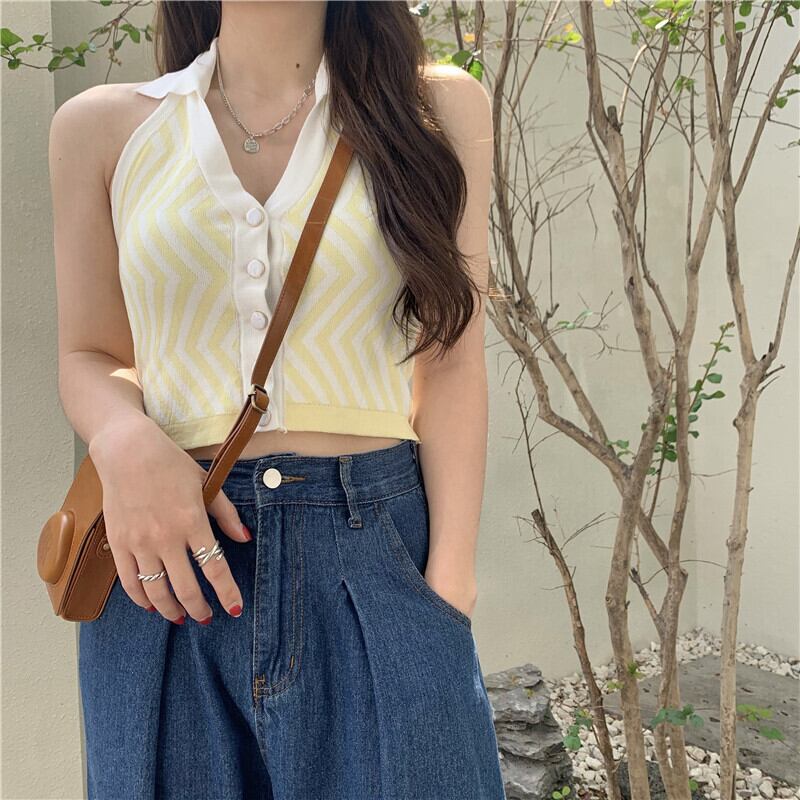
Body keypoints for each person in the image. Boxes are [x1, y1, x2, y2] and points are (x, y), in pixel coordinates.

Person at [48, 1, 503, 798]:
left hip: (374, 555)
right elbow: (89, 353)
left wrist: (447, 590)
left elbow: (452, 358)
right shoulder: (102, 128)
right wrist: (122, 437)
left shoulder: (433, 109)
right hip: (166, 569)